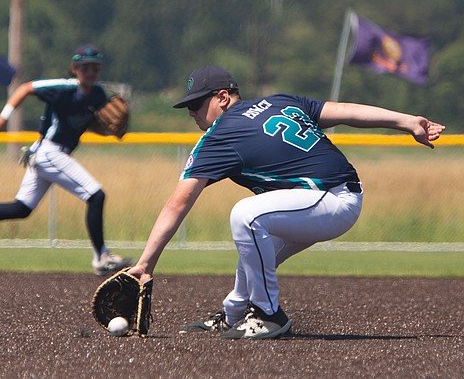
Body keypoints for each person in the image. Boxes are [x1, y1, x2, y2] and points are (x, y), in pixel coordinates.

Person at [126, 65, 445, 339]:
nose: (192, 112)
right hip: (330, 198)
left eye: (197, 104)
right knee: (255, 247)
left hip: (329, 200)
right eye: (188, 107)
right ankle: (234, 313)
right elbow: (346, 110)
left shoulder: (219, 137)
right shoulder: (278, 101)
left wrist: (145, 263)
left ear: (222, 97)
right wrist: (406, 121)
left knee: (247, 216)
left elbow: (177, 204)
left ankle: (268, 315)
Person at [0, 44, 134, 276]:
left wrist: (113, 132)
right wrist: (4, 118)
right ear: (74, 69)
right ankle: (101, 257)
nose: (90, 72)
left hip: (51, 155)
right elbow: (25, 88)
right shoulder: (62, 89)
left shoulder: (98, 95)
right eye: (85, 68)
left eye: (95, 68)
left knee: (22, 208)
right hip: (49, 152)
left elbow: (91, 126)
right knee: (96, 195)